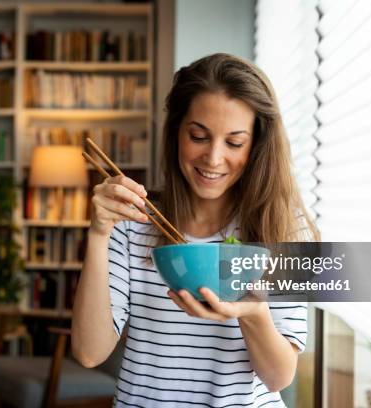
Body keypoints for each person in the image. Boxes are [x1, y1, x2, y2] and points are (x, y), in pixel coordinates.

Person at [72, 53, 319, 407]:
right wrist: (98, 233)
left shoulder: (283, 227)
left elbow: (279, 377)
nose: (214, 158)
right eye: (199, 136)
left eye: (234, 142)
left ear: (257, 146)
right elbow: (88, 353)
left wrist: (253, 313)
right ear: (176, 132)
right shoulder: (133, 220)